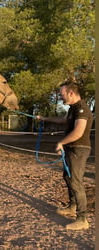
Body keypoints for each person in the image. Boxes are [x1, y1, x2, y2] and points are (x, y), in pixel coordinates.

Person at [36, 81, 93, 230]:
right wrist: (44, 119)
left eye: (62, 95)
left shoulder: (82, 109)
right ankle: (72, 206)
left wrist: (61, 142)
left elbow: (79, 131)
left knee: (76, 181)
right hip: (72, 148)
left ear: (71, 93)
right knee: (68, 177)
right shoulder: (73, 109)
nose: (61, 98)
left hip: (79, 149)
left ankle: (82, 219)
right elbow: (63, 121)